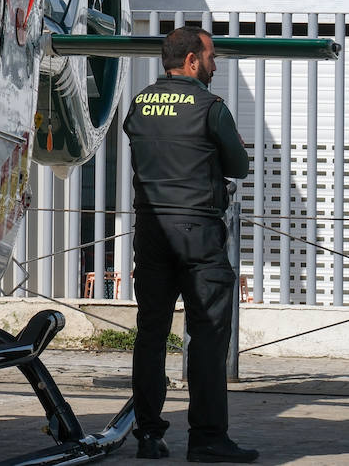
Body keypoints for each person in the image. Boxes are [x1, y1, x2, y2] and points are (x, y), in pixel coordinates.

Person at [123, 26, 255, 463]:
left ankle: (147, 436)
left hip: (151, 233)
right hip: (198, 232)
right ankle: (207, 440)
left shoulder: (139, 105)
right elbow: (239, 165)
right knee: (208, 336)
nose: (215, 66)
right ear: (193, 61)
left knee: (151, 334)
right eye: (212, 57)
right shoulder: (209, 107)